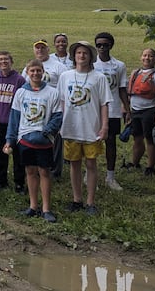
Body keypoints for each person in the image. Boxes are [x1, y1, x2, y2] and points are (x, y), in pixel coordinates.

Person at [4, 59, 63, 223]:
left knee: (44, 172)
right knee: (30, 172)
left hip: (44, 141)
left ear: (43, 72)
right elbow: (14, 118)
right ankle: (33, 206)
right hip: (25, 140)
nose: (35, 73)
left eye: (38, 70)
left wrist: (47, 131)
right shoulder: (21, 92)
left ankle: (46, 208)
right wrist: (10, 139)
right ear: (27, 72)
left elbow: (58, 116)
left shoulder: (52, 92)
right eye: (32, 71)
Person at [57, 41, 112, 216]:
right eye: (79, 53)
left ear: (90, 57)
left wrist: (104, 127)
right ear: (74, 56)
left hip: (91, 128)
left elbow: (104, 104)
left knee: (91, 163)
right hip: (72, 127)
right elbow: (62, 101)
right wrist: (61, 123)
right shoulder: (65, 76)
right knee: (74, 164)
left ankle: (90, 202)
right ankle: (77, 199)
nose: (81, 56)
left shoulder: (99, 78)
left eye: (85, 53)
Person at [23, 39, 68, 180]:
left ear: (48, 50)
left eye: (43, 48)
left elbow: (65, 88)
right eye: (37, 48)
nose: (40, 50)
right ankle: (36, 169)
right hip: (35, 108)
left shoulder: (59, 67)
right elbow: (24, 87)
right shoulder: (28, 67)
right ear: (34, 50)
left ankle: (55, 171)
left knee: (55, 140)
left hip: (54, 108)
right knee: (37, 138)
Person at [93, 32, 130, 191]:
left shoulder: (119, 65)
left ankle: (110, 176)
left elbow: (122, 89)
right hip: (93, 108)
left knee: (110, 143)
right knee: (92, 141)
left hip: (113, 108)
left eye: (105, 45)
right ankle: (90, 173)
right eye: (99, 45)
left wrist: (127, 109)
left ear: (111, 45)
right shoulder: (91, 63)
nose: (102, 48)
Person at [125, 48, 155, 176]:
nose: (147, 58)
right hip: (135, 111)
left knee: (150, 139)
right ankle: (135, 163)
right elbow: (129, 93)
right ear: (141, 57)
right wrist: (126, 109)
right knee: (137, 138)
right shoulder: (136, 73)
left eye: (150, 56)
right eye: (144, 55)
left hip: (150, 111)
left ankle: (150, 167)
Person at [0, 51, 27, 193]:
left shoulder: (19, 80)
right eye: (0, 60)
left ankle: (19, 183)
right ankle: (1, 180)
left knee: (17, 153)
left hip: (14, 122)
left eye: (6, 59)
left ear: (11, 62)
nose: (3, 62)